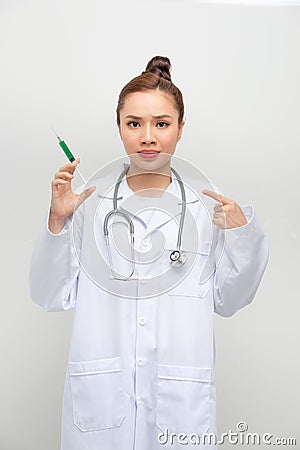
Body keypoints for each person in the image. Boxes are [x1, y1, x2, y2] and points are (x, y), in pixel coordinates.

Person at [29, 56, 269, 450]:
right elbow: (49, 294)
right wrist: (58, 220)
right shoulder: (90, 205)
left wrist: (242, 233)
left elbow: (231, 299)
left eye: (161, 123)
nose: (148, 137)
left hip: (179, 406)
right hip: (102, 405)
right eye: (134, 123)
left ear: (180, 128)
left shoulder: (205, 211)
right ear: (120, 127)